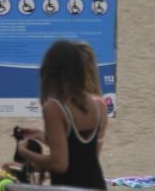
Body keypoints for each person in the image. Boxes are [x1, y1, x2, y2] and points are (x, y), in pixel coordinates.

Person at [14, 40, 108, 189]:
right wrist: (40, 135)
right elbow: (82, 154)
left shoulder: (54, 107)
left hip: (68, 186)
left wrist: (24, 152)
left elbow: (60, 164)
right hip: (95, 184)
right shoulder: (98, 104)